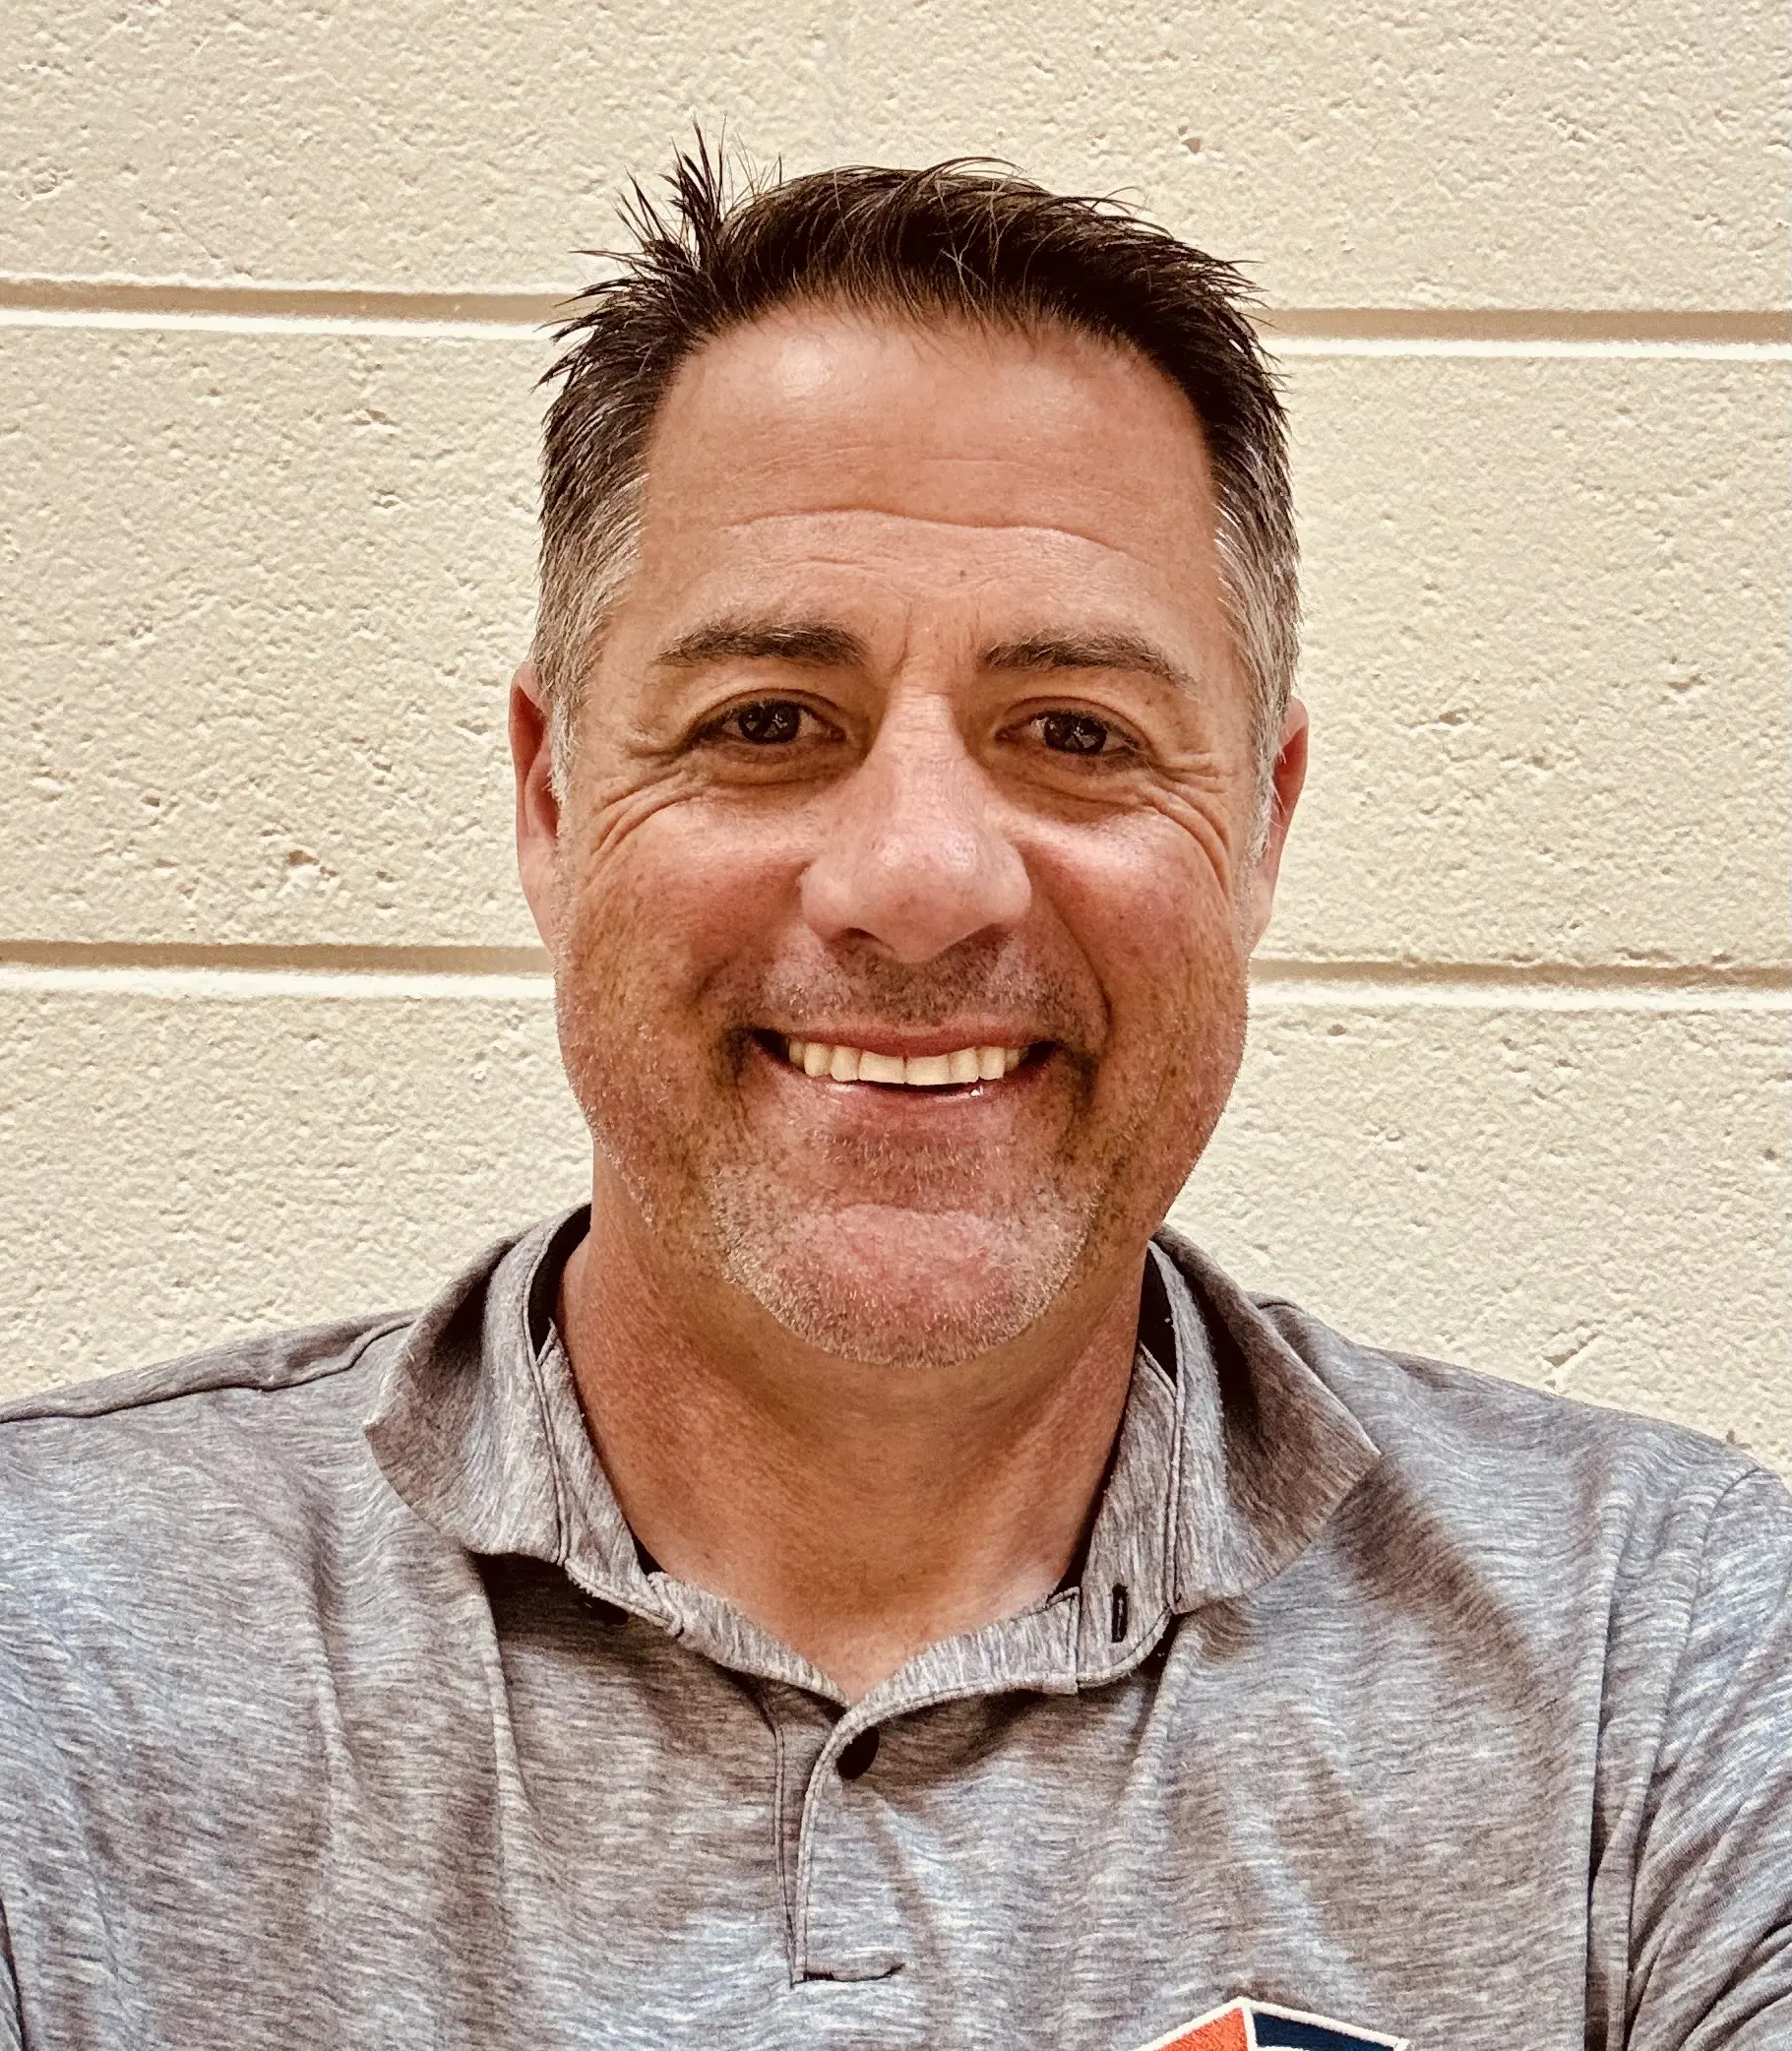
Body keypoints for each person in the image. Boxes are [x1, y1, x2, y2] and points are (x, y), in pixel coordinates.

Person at [1, 148, 1786, 2051]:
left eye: (1077, 735)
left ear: (1261, 824)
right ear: (549, 800)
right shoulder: (51, 1640)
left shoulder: (1656, 1655)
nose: (924, 878)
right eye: (769, 722)